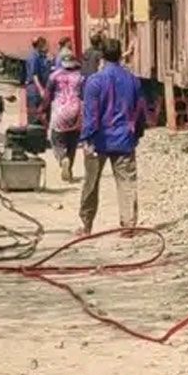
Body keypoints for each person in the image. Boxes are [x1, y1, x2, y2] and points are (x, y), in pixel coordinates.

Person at [77, 38, 145, 236]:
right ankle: (128, 226)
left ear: (102, 57)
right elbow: (139, 112)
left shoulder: (95, 81)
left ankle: (87, 226)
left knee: (91, 183)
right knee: (126, 183)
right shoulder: (133, 80)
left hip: (98, 140)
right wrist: (138, 134)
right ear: (119, 54)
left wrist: (86, 139)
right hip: (124, 139)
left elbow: (91, 114)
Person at [46, 47, 83, 182]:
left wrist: (42, 109)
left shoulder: (54, 76)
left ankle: (62, 158)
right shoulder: (80, 76)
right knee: (73, 142)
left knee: (56, 139)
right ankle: (70, 169)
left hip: (60, 111)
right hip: (76, 111)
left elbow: (47, 95)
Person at [24, 36, 50, 125]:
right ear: (40, 44)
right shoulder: (33, 57)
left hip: (37, 88)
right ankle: (33, 133)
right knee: (33, 114)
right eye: (45, 44)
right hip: (34, 89)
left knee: (40, 113)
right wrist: (41, 90)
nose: (47, 45)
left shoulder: (40, 56)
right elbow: (34, 75)